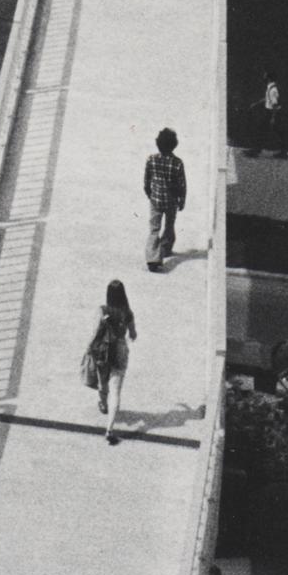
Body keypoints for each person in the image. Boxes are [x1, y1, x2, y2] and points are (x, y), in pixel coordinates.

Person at [82, 281, 137, 444]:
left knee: (102, 379)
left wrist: (88, 347)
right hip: (119, 351)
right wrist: (125, 337)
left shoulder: (102, 310)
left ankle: (103, 404)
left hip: (102, 350)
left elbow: (95, 332)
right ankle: (110, 429)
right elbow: (133, 334)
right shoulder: (128, 313)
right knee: (116, 391)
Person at [143, 128, 187, 271]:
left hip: (155, 200)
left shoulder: (151, 159)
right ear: (174, 144)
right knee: (169, 226)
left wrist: (149, 192)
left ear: (158, 144)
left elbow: (147, 180)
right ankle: (165, 249)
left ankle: (152, 258)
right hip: (171, 201)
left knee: (154, 228)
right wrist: (182, 200)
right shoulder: (177, 163)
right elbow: (182, 184)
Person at [246, 73, 288, 161]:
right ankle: (282, 152)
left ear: (269, 78)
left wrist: (273, 118)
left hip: (272, 113)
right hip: (270, 112)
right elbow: (267, 98)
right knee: (276, 132)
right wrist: (256, 104)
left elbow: (274, 104)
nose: (264, 76)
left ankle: (256, 151)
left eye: (265, 75)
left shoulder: (273, 89)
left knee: (263, 131)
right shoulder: (270, 87)